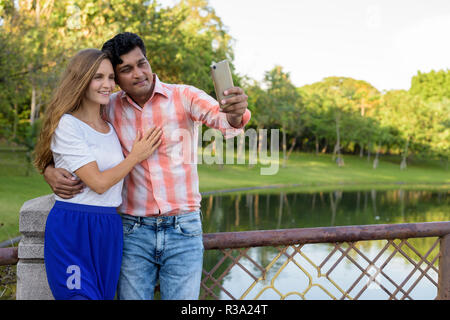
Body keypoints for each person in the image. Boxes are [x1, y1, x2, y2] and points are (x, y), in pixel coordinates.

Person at [43, 32, 251, 300]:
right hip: (132, 232)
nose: (139, 73)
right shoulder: (107, 106)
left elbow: (226, 121)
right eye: (126, 69)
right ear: (117, 78)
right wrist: (49, 169)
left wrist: (235, 112)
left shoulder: (184, 96)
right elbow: (71, 138)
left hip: (183, 229)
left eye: (142, 63)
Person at [34, 48, 162, 300]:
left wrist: (47, 170)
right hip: (74, 226)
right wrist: (136, 156)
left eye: (111, 77)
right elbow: (99, 183)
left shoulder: (110, 126)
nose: (107, 85)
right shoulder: (68, 124)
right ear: (81, 80)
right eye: (98, 77)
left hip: (109, 227)